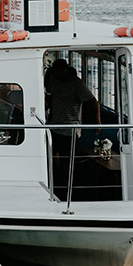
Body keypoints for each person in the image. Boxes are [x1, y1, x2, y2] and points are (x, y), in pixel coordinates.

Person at [45, 59, 100, 198]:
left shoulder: (77, 83)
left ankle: (66, 188)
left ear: (67, 70)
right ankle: (53, 183)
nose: (60, 75)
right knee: (52, 157)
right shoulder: (53, 79)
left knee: (66, 160)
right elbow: (48, 92)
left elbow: (93, 101)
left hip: (70, 128)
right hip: (53, 126)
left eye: (62, 72)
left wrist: (97, 122)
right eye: (57, 73)